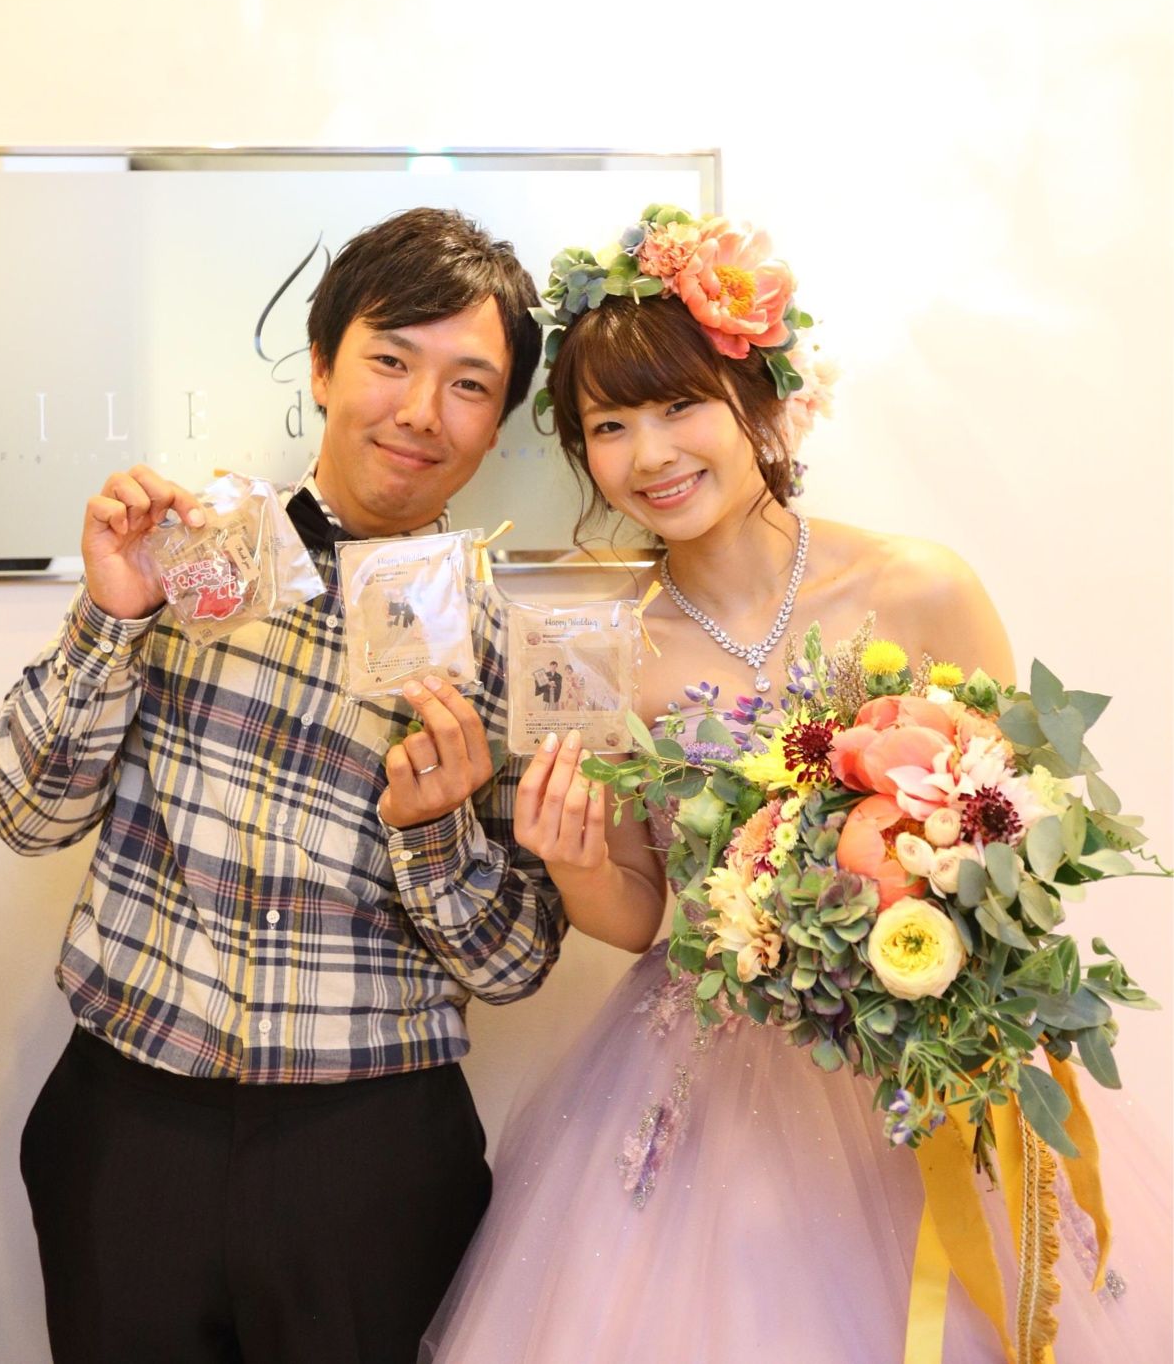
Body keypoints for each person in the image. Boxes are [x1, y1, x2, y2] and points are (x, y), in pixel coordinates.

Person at [422, 208, 1170, 1363]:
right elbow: (639, 912)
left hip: (919, 1042)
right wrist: (573, 860)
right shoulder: (584, 637)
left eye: (680, 405)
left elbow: (1016, 831)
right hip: (706, 1068)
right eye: (610, 426)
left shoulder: (920, 585)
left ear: (759, 393)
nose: (650, 455)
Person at [0, 206, 565, 1364]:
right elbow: (24, 812)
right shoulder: (189, 552)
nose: (421, 410)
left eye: (467, 384)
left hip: (372, 1151)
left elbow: (518, 963)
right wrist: (110, 617)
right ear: (323, 365)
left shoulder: (510, 654)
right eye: (390, 359)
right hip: (128, 1120)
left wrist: (435, 833)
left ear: (498, 421)